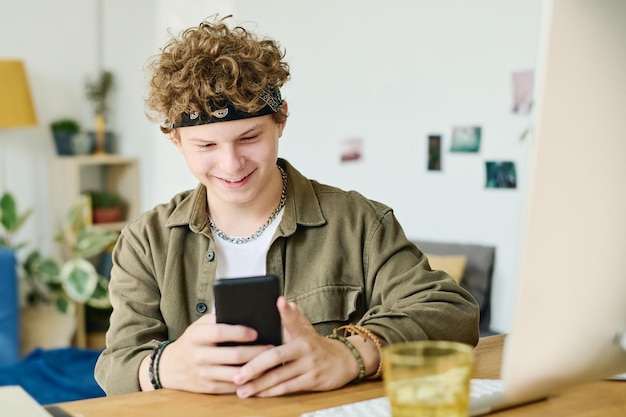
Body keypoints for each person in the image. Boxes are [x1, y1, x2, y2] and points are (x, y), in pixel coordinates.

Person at [94, 15, 479, 398]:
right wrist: (161, 367)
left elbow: (451, 312)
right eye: (206, 146)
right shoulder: (146, 240)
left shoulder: (360, 222)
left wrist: (349, 355)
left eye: (249, 137)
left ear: (280, 121)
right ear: (176, 140)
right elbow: (116, 365)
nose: (231, 164)